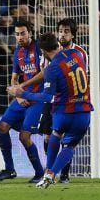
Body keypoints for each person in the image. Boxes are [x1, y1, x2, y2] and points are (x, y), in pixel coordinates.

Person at [8, 32, 93, 188]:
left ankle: (48, 172)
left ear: (43, 52)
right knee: (69, 146)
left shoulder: (52, 69)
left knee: (55, 134)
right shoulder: (77, 54)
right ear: (57, 44)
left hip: (64, 112)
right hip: (84, 111)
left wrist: (21, 93)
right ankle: (51, 173)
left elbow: (47, 97)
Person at [0, 19, 46, 183]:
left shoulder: (39, 48)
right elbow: (14, 78)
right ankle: (9, 169)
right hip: (23, 96)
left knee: (24, 136)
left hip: (37, 98)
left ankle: (40, 173)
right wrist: (18, 95)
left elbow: (43, 74)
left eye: (23, 33)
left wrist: (21, 88)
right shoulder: (17, 53)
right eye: (17, 34)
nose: (20, 37)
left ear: (30, 33)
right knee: (2, 126)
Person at [35, 18, 88, 183]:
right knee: (47, 137)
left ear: (72, 34)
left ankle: (63, 174)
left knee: (67, 140)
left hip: (70, 101)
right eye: (60, 31)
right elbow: (45, 73)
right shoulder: (49, 50)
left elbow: (83, 76)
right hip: (51, 98)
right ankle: (50, 170)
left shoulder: (80, 52)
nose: (62, 34)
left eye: (66, 31)